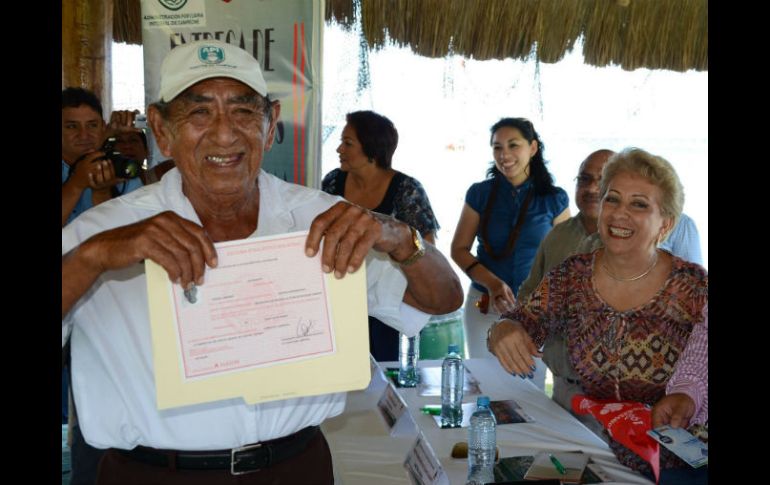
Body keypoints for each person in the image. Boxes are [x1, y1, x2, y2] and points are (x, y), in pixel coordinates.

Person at [61, 39, 463, 484]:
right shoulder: (102, 232)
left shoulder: (322, 218)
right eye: (198, 112)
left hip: (296, 467)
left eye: (243, 111)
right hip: (154, 473)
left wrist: (400, 237)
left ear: (270, 123)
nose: (224, 133)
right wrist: (93, 258)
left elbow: (442, 300)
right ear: (161, 129)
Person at [487, 148, 707, 480]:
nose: (620, 214)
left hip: (682, 460)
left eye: (639, 204)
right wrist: (502, 329)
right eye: (613, 199)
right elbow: (524, 320)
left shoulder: (692, 286)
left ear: (666, 224)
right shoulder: (572, 276)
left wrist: (688, 395)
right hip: (603, 447)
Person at [451, 117, 569, 374]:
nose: (504, 155)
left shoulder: (554, 199)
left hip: (535, 312)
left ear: (533, 148)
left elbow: (568, 260)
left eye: (513, 145)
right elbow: (458, 249)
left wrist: (544, 303)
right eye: (497, 147)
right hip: (483, 305)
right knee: (484, 381)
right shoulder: (479, 194)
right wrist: (493, 284)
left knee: (530, 390)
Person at [322, 110, 440, 361]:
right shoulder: (333, 182)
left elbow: (428, 252)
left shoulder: (407, 190)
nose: (339, 149)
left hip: (391, 305)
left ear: (372, 148)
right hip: (343, 299)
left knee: (388, 373)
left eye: (348, 143)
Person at [516, 149, 612, 432]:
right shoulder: (557, 236)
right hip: (563, 391)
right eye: (584, 179)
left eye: (603, 180)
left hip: (617, 401)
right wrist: (513, 327)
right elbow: (529, 295)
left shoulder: (633, 242)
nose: (592, 188)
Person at [61, 87, 144, 227]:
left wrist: (103, 193)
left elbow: (133, 235)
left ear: (103, 128)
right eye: (71, 126)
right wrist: (76, 184)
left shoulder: (122, 171)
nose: (84, 135)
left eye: (92, 125)